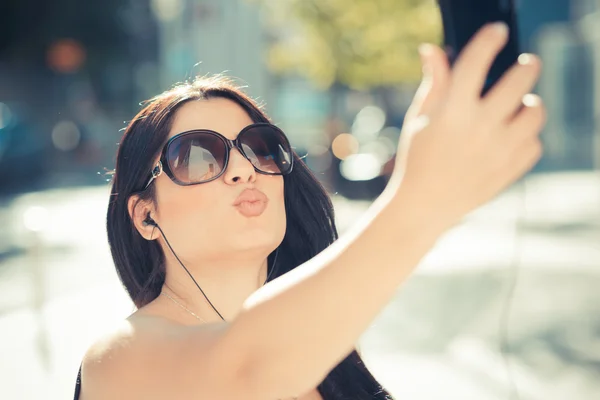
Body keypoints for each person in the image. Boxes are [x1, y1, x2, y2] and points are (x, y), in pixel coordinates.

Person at [75, 23, 545, 400]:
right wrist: (422, 199)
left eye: (260, 147)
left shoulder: (321, 344)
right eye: (198, 155)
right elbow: (249, 370)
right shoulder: (118, 359)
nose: (243, 169)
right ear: (144, 216)